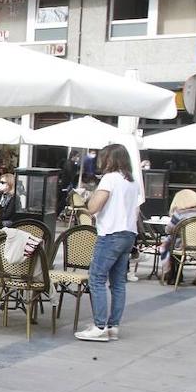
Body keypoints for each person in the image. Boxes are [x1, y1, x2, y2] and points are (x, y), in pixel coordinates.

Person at [75, 144, 142, 342]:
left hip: (111, 233)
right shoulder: (132, 181)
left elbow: (94, 207)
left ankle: (99, 326)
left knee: (96, 278)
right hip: (128, 233)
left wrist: (88, 198)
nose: (100, 162)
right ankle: (113, 326)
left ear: (110, 159)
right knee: (118, 283)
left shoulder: (110, 178)